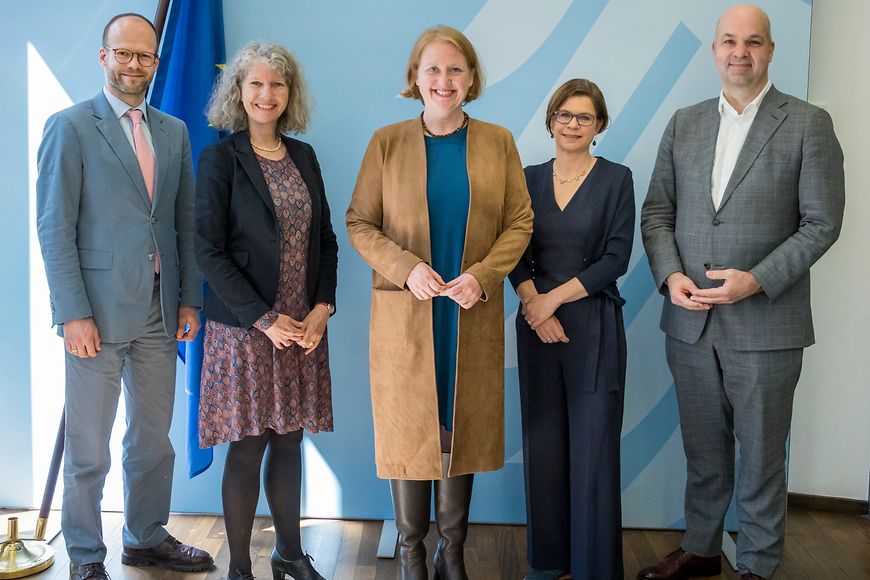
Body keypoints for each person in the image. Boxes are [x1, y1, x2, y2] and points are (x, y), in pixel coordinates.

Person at [638, 4, 844, 580]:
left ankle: (756, 563)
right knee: (704, 454)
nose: (740, 52)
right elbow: (657, 213)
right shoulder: (685, 122)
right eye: (729, 40)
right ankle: (702, 550)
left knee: (759, 458)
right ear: (714, 50)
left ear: (770, 50)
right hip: (690, 320)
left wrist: (758, 280)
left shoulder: (808, 123)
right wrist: (671, 275)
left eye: (753, 42)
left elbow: (822, 222)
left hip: (766, 323)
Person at [346, 25, 533, 580]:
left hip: (468, 309)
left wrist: (483, 275)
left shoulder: (498, 141)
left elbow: (520, 220)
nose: (443, 80)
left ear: (471, 78)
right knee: (411, 426)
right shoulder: (387, 141)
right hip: (408, 313)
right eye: (432, 69)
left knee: (461, 422)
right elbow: (360, 223)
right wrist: (406, 270)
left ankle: (453, 553)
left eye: (455, 69)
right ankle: (412, 553)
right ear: (415, 77)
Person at [35, 13, 214, 580]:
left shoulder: (174, 130)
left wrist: (189, 300)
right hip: (97, 316)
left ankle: (146, 537)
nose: (134, 64)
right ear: (103, 56)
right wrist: (72, 313)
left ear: (156, 63)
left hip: (163, 315)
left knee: (153, 442)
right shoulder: (69, 126)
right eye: (123, 54)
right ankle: (86, 556)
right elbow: (54, 228)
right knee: (88, 452)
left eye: (145, 56)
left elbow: (184, 222)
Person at [195, 42, 337, 580]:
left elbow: (324, 239)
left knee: (289, 441)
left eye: (277, 84)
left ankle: (289, 555)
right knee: (249, 445)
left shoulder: (304, 157)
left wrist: (323, 306)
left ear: (288, 94)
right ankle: (239, 569)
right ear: (238, 91)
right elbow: (209, 250)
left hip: (302, 326)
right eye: (255, 83)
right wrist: (264, 318)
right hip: (246, 328)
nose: (266, 94)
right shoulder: (219, 160)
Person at [509, 79, 634, 580]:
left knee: (593, 451)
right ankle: (549, 562)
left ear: (599, 125)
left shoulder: (617, 179)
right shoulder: (526, 178)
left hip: (593, 324)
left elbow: (616, 259)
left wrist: (550, 302)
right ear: (550, 120)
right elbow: (513, 254)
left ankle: (593, 568)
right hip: (535, 327)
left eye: (585, 117)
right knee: (544, 446)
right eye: (564, 115)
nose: (573, 125)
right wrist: (532, 306)